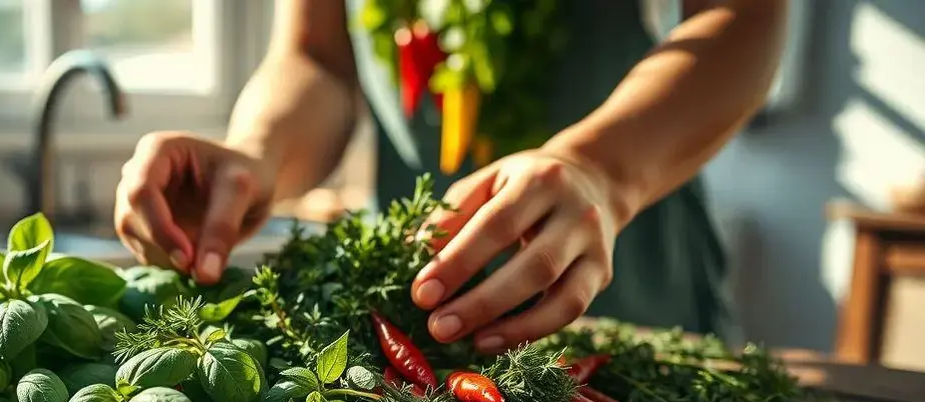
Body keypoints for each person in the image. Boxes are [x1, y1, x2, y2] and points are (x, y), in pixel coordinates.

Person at [114, 0, 787, 353]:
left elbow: (744, 17)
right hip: (417, 293)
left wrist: (600, 171)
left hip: (623, 256)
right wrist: (255, 151)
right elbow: (316, 57)